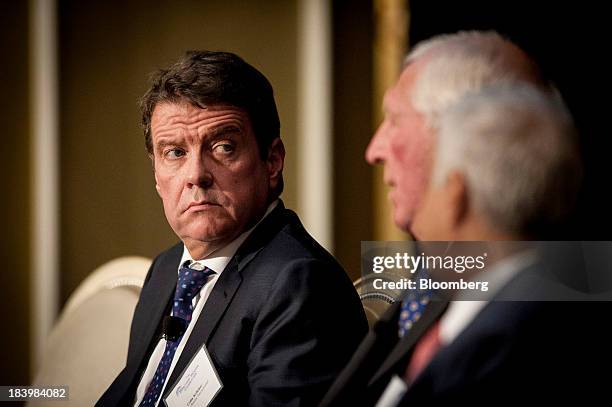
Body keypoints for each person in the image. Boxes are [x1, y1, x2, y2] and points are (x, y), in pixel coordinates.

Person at [98, 51, 368, 407]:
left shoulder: (299, 284)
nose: (196, 174)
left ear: (272, 161)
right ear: (156, 177)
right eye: (175, 152)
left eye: (223, 147)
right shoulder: (165, 270)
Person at [319, 31, 562, 406]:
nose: (374, 149)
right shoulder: (435, 277)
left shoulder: (535, 322)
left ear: (468, 132)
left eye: (394, 118)